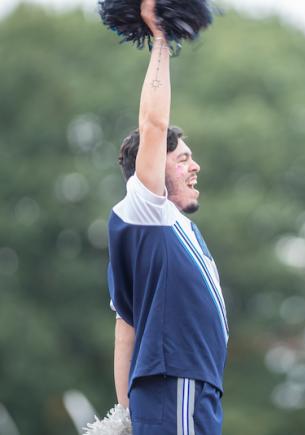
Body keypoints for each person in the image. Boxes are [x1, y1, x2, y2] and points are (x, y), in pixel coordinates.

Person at [107, 1, 228, 434]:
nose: (195, 167)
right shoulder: (146, 208)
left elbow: (127, 329)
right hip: (174, 382)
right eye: (183, 159)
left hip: (199, 389)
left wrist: (123, 416)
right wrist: (160, 38)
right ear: (154, 170)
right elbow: (154, 123)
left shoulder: (181, 230)